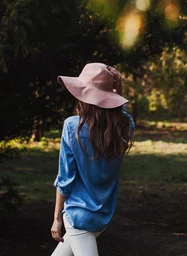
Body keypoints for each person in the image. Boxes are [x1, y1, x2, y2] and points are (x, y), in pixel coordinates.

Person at [50, 63, 135, 256]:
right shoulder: (123, 128)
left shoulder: (73, 127)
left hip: (77, 216)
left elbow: (65, 178)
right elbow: (123, 115)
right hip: (102, 215)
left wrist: (57, 218)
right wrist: (117, 90)